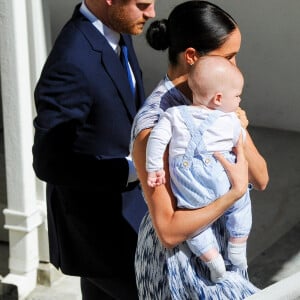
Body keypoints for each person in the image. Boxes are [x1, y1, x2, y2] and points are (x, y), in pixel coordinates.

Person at [131, 1, 269, 299]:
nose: (235, 67)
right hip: (180, 271)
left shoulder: (218, 98)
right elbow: (167, 231)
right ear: (192, 56)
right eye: (229, 57)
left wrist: (239, 127)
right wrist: (232, 194)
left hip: (224, 258)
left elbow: (260, 177)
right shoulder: (154, 126)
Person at [32, 0, 155, 299]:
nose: (151, 13)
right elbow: (49, 163)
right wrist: (131, 168)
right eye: (142, 4)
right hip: (97, 235)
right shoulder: (71, 61)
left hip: (126, 221)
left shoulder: (119, 29)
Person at [146, 55, 252, 283]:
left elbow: (157, 139)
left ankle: (212, 259)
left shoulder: (173, 114)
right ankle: (238, 245)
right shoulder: (230, 121)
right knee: (241, 204)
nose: (239, 100)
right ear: (218, 98)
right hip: (220, 175)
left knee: (194, 221)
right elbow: (239, 144)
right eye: (237, 96)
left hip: (187, 179)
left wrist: (154, 168)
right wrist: (242, 127)